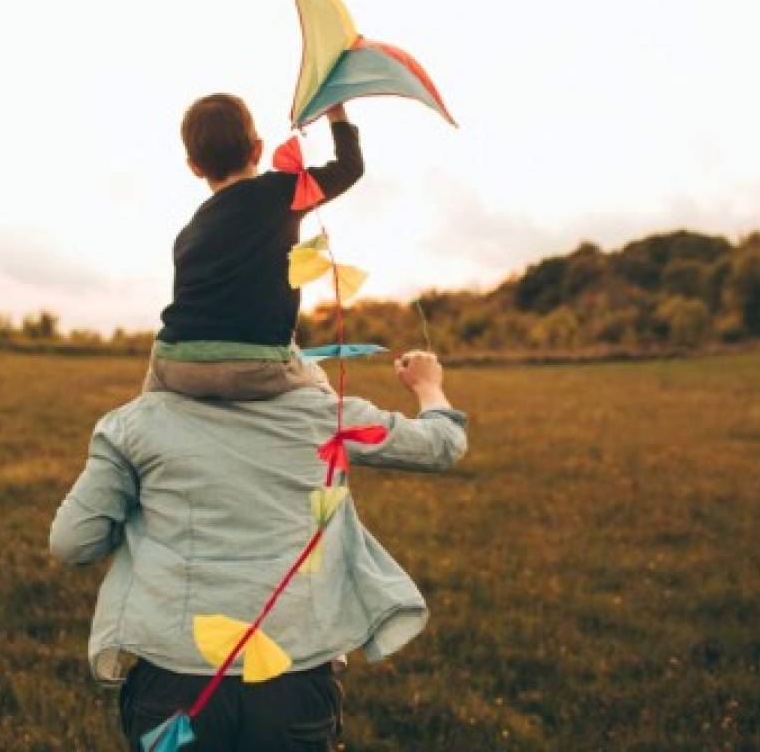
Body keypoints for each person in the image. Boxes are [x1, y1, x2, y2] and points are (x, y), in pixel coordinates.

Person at [49, 350, 469, 751]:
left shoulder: (135, 424)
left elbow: (72, 543)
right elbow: (442, 443)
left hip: (174, 680)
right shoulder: (327, 414)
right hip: (293, 680)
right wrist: (428, 385)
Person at [144, 93, 363, 401]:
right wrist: (336, 113)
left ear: (194, 167)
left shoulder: (187, 233)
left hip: (173, 361)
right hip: (254, 365)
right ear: (258, 149)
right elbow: (349, 168)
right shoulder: (280, 191)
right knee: (317, 384)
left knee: (148, 407)